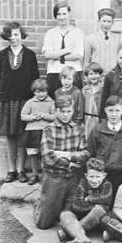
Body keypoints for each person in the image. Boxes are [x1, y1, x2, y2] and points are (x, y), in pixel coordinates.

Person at [34, 95, 89, 229]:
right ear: (56, 110)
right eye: (62, 111)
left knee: (69, 215)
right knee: (44, 223)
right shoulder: (49, 129)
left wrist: (67, 155)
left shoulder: (78, 128)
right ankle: (40, 203)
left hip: (73, 178)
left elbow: (85, 153)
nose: (65, 115)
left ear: (73, 111)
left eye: (69, 111)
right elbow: (48, 156)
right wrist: (69, 163)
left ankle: (58, 206)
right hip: (54, 177)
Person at [0, 21, 39, 183]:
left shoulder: (30, 55)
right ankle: (11, 170)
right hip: (7, 99)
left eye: (16, 34)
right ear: (6, 37)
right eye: (10, 35)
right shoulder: (1, 55)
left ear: (21, 36)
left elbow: (35, 78)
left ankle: (21, 170)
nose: (13, 38)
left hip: (25, 101)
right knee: (10, 136)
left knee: (22, 136)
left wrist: (34, 101)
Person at [56, 158, 112, 243]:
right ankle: (82, 238)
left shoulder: (107, 185)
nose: (94, 180)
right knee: (65, 214)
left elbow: (106, 199)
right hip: (81, 215)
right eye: (91, 176)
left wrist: (89, 199)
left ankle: (68, 232)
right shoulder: (83, 183)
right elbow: (77, 205)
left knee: (99, 210)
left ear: (104, 175)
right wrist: (94, 204)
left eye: (98, 177)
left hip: (97, 218)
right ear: (86, 175)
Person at [88, 95, 122, 199]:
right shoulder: (97, 130)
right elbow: (91, 152)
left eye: (117, 110)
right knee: (103, 201)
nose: (114, 114)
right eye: (110, 110)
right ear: (105, 111)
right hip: (103, 174)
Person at [43, 1, 84, 97]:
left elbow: (78, 55)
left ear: (69, 14)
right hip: (54, 72)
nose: (62, 17)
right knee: (55, 102)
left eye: (64, 14)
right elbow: (47, 55)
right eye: (59, 14)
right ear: (55, 16)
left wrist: (57, 56)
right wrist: (66, 51)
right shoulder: (50, 33)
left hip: (73, 72)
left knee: (74, 103)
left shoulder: (78, 32)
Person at [20, 79, 55, 185]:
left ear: (47, 91)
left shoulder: (51, 102)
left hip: (46, 131)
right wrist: (32, 117)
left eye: (43, 91)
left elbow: (55, 116)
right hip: (32, 131)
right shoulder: (30, 102)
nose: (41, 94)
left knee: (46, 154)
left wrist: (45, 116)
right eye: (38, 92)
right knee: (33, 153)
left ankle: (45, 175)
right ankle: (34, 175)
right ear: (34, 92)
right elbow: (23, 116)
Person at [84, 8, 122, 73]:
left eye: (109, 21)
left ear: (113, 22)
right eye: (104, 21)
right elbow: (86, 60)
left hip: (113, 74)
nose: (106, 24)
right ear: (98, 21)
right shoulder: (90, 38)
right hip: (96, 74)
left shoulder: (118, 38)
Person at [82, 62, 103, 139]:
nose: (93, 76)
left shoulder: (103, 89)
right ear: (87, 76)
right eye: (91, 74)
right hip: (87, 119)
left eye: (96, 73)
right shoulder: (85, 90)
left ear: (100, 75)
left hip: (99, 119)